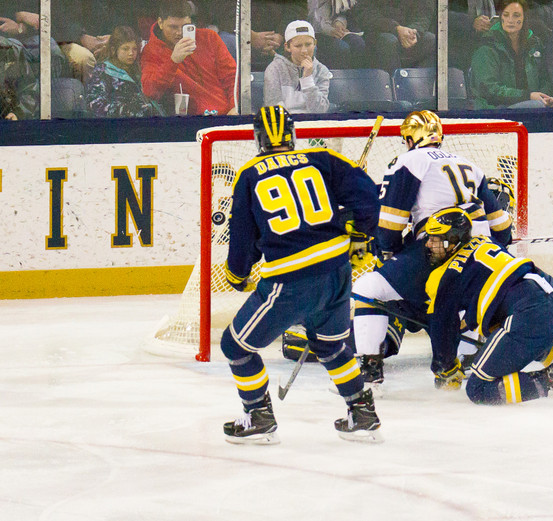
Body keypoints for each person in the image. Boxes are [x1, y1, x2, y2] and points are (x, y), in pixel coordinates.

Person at [220, 105, 382, 444]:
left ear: (258, 139)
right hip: (337, 270)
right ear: (292, 135)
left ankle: (258, 417)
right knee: (331, 346)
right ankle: (362, 413)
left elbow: (243, 234)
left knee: (235, 346)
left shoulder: (250, 174)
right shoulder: (321, 158)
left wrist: (237, 273)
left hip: (290, 280)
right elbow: (369, 196)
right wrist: (360, 230)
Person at [351, 110, 514, 387]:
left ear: (410, 138)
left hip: (439, 247)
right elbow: (503, 230)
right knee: (457, 299)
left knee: (369, 288)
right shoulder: (470, 165)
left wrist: (387, 252)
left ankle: (368, 374)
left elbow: (390, 224)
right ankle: (465, 353)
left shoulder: (409, 160)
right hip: (485, 254)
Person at [422, 207, 553, 405]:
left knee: (478, 388)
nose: (428, 244)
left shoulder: (445, 276)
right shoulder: (485, 241)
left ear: (452, 240)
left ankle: (552, 377)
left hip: (531, 312)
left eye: (434, 239)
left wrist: (447, 370)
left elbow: (441, 329)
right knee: (527, 340)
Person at [141, 0, 236, 116]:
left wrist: (235, 105)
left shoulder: (209, 38)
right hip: (187, 121)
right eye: (173, 27)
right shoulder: (151, 51)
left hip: (226, 114)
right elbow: (150, 91)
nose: (179, 32)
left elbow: (232, 77)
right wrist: (173, 61)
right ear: (160, 23)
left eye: (185, 27)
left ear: (190, 22)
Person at [470, 0, 553, 109]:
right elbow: (489, 90)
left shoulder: (535, 43)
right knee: (536, 106)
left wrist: (544, 97)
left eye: (516, 16)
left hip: (530, 105)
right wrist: (528, 96)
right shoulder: (487, 45)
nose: (510, 20)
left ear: (524, 18)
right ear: (501, 17)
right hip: (494, 110)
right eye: (506, 15)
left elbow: (545, 78)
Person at [86, 26, 163, 118]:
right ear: (114, 50)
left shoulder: (138, 70)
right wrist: (129, 111)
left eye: (134, 49)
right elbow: (95, 104)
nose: (131, 53)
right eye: (125, 49)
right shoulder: (103, 71)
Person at [347, 0, 436, 72]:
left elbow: (424, 14)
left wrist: (413, 32)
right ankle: (391, 88)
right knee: (389, 41)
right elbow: (365, 13)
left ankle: (417, 88)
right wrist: (396, 28)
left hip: (409, 33)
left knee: (432, 40)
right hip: (379, 32)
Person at [263, 20, 332, 114]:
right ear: (287, 47)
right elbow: (273, 108)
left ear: (315, 43)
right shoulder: (274, 69)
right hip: (286, 125)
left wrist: (307, 79)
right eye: (298, 46)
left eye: (308, 44)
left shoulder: (322, 70)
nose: (304, 50)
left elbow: (320, 110)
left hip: (312, 124)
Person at [308, 0, 367, 69]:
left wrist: (339, 22)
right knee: (341, 48)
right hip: (316, 32)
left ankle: (356, 78)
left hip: (335, 27)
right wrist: (328, 30)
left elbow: (343, 11)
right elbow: (310, 19)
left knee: (357, 43)